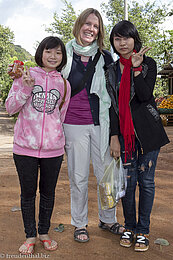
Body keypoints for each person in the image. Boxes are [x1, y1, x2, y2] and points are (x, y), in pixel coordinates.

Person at [105, 20, 170, 252]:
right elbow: (113, 107)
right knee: (128, 184)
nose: (122, 43)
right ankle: (130, 227)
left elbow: (144, 96)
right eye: (117, 38)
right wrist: (114, 136)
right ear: (113, 42)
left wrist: (136, 69)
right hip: (123, 135)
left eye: (126, 38)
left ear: (134, 39)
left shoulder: (148, 63)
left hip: (148, 134)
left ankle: (143, 230)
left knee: (147, 182)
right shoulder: (110, 71)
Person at [61, 8, 124, 243]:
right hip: (73, 124)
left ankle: (108, 219)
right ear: (79, 25)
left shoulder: (107, 57)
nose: (91, 29)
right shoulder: (64, 55)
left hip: (102, 125)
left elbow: (114, 98)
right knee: (78, 177)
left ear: (99, 32)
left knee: (106, 175)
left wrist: (115, 134)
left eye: (96, 26)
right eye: (87, 24)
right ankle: (79, 223)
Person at [5, 36, 71, 255]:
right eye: (48, 51)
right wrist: (25, 89)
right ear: (41, 52)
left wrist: (57, 140)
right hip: (25, 148)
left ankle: (44, 232)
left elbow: (59, 117)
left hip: (53, 150)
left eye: (58, 53)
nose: (53, 56)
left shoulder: (64, 84)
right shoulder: (25, 75)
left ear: (63, 57)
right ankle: (30, 235)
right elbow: (10, 108)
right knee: (27, 194)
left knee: (48, 193)